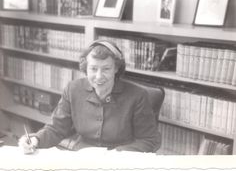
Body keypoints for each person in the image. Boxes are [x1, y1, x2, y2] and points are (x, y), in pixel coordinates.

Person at [18, 39, 161, 153]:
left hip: (121, 162)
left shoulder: (137, 96)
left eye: (106, 69)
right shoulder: (73, 89)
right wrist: (35, 139)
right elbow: (56, 129)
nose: (99, 77)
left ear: (116, 69)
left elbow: (150, 140)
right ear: (85, 68)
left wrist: (117, 154)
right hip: (83, 160)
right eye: (93, 69)